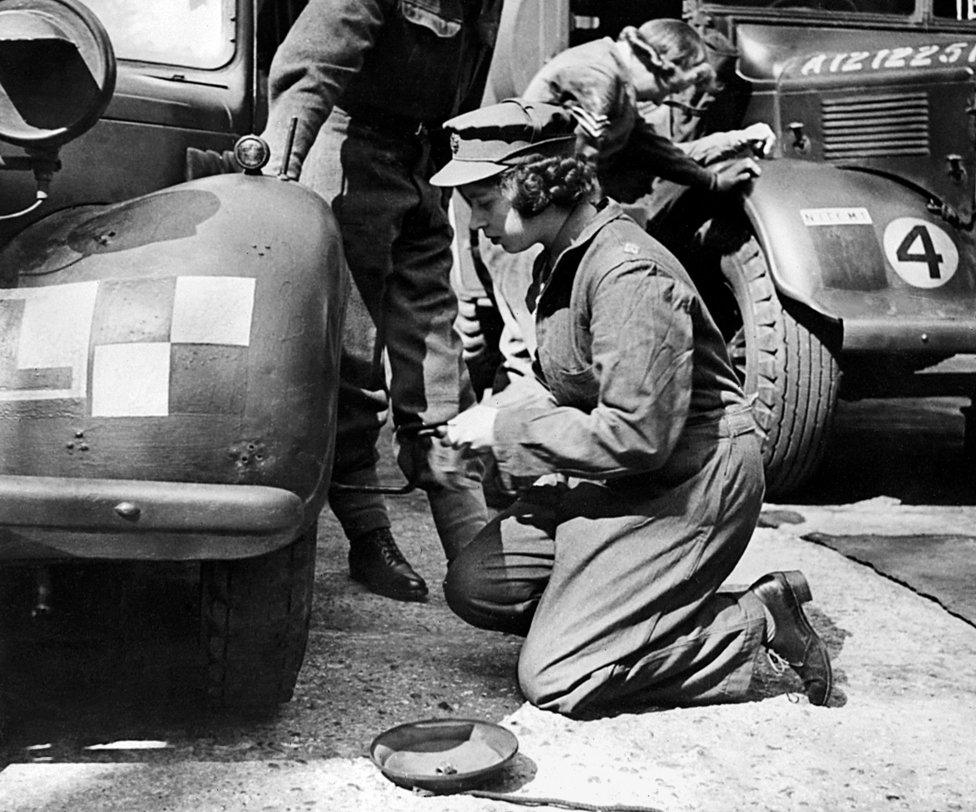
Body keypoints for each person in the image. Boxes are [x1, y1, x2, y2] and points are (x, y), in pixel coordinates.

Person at [428, 99, 833, 715]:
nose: (476, 223)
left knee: (559, 679)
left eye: (484, 203)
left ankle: (755, 622)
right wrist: (485, 421)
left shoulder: (627, 272)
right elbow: (561, 381)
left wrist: (508, 428)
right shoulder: (561, 259)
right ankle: (618, 613)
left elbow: (639, 435)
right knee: (480, 585)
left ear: (532, 186)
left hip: (689, 484)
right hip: (621, 477)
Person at [259, 0, 503, 602]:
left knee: (439, 361)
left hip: (419, 169)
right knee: (353, 364)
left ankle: (481, 560)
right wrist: (277, 170)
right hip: (349, 159)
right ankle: (368, 536)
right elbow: (312, 63)